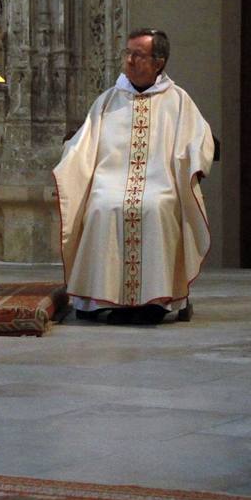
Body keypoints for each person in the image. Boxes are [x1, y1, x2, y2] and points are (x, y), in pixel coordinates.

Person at [54, 28, 214, 325]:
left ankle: (157, 298)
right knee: (102, 206)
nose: (128, 60)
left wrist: (196, 159)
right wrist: (69, 166)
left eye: (137, 55)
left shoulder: (178, 101)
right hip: (110, 182)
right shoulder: (108, 100)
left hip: (160, 183)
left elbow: (200, 138)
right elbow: (83, 143)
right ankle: (96, 297)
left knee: (155, 207)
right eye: (126, 54)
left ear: (159, 62)